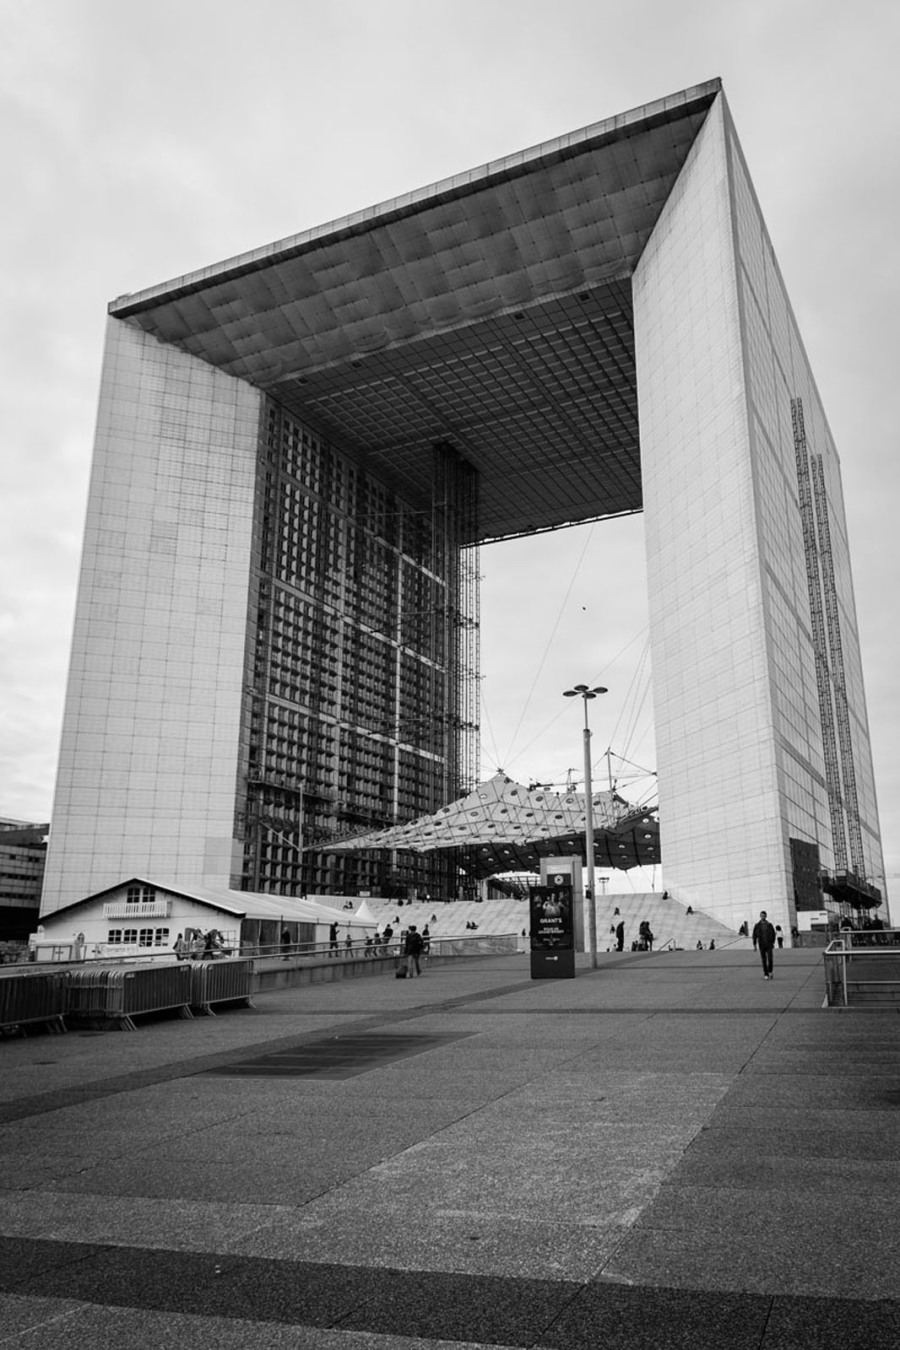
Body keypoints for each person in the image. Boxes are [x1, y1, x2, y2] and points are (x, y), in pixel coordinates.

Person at [752, 910, 777, 979]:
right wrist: (754, 945)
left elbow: (773, 934)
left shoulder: (769, 925)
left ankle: (770, 971)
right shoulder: (757, 925)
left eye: (764, 916)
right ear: (760, 916)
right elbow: (754, 935)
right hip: (761, 945)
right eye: (761, 916)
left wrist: (772, 942)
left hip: (769, 944)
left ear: (766, 916)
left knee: (770, 959)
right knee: (764, 960)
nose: (762, 917)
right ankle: (766, 974)